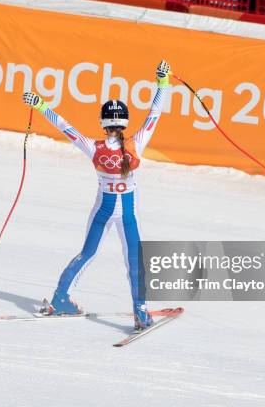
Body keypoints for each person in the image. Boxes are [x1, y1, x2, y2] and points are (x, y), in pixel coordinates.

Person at [22, 60, 170, 330]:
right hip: (127, 215)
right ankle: (140, 312)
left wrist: (40, 104)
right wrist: (162, 81)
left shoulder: (94, 146)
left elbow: (65, 127)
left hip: (102, 212)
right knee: (134, 259)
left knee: (87, 254)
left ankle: (60, 299)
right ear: (124, 121)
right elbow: (154, 114)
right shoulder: (136, 143)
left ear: (103, 122)